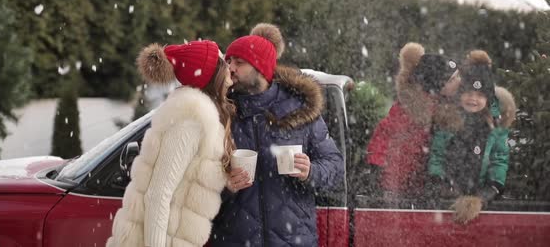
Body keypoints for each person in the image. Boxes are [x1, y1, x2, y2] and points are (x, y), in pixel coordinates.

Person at [209, 23, 344, 246]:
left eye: (239, 62)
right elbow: (196, 181)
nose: (230, 68)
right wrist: (225, 186)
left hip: (293, 240)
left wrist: (310, 171)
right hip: (235, 240)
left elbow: (335, 166)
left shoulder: (300, 109)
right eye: (229, 62)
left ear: (261, 68)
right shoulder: (221, 113)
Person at [106, 40, 235, 247]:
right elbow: (158, 196)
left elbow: (190, 179)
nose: (229, 68)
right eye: (222, 61)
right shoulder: (190, 123)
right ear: (211, 73)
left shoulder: (204, 120)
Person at [428, 50, 516, 224]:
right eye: (468, 93)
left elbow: (499, 160)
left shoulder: (494, 128)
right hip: (448, 196)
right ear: (460, 94)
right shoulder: (448, 123)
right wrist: (441, 183)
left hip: (481, 197)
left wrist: (489, 190)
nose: (473, 99)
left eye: (480, 95)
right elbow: (436, 155)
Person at [365, 42, 459, 198]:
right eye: (452, 79)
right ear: (438, 86)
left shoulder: (447, 107)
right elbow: (385, 136)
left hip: (424, 186)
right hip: (404, 186)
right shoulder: (410, 110)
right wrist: (377, 167)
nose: (458, 81)